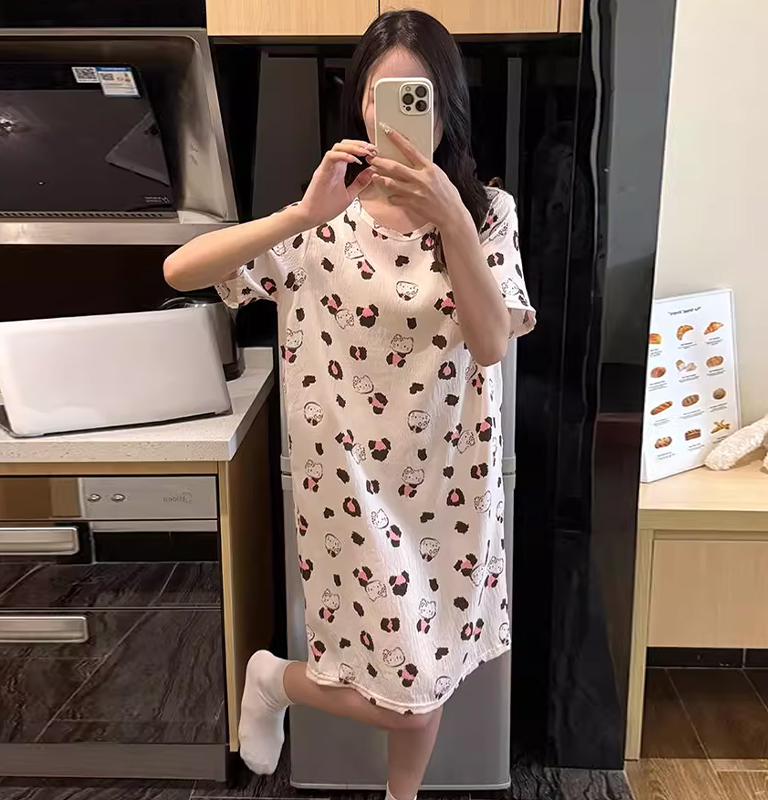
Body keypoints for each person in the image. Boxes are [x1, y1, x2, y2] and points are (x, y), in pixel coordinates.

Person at [164, 9, 535, 800]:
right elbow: (180, 270)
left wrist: (451, 218)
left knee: (430, 670)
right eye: (379, 93)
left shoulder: (488, 213)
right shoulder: (320, 219)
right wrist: (302, 215)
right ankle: (277, 681)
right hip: (350, 489)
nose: (394, 112)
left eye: (416, 95)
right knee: (410, 693)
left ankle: (335, 735)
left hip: (453, 484)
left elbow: (490, 343)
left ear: (446, 105)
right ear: (360, 103)